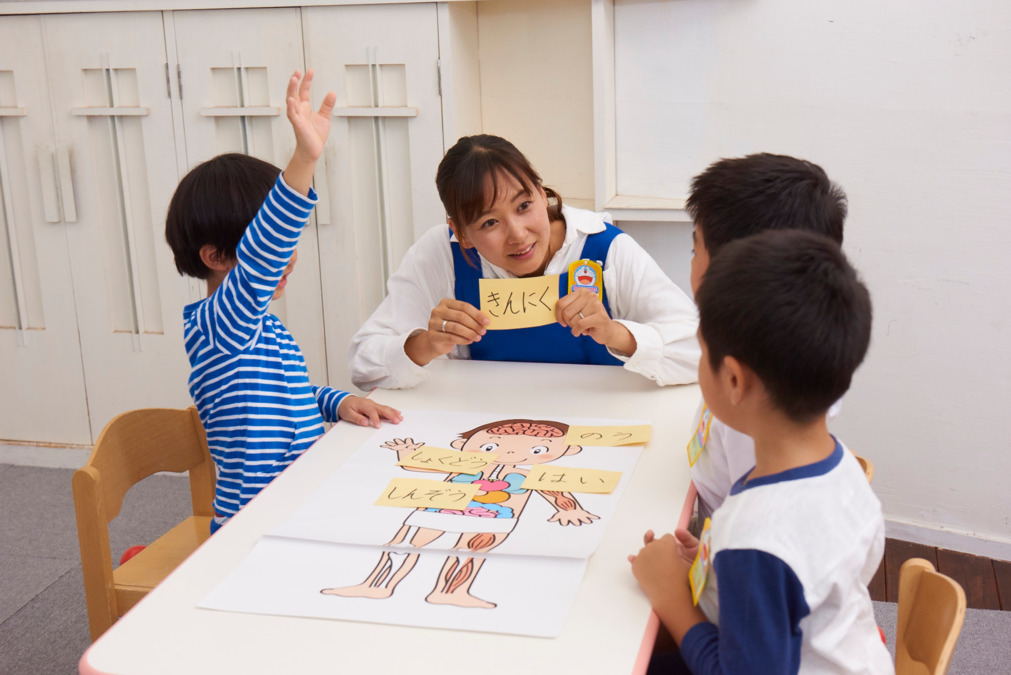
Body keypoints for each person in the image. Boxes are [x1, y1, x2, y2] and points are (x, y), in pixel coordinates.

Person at [629, 230, 890, 673]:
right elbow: (806, 574)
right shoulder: (841, 466)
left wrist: (673, 597)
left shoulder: (756, 536)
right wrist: (710, 568)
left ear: (733, 380)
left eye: (702, 351)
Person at [165, 70, 401, 534]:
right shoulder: (222, 323)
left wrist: (334, 403)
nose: (286, 257)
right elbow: (264, 252)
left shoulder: (257, 327)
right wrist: (304, 158)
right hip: (255, 526)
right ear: (215, 257)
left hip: (301, 500)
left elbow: (283, 401)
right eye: (269, 249)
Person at [348, 134, 700, 390]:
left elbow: (700, 351)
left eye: (524, 206)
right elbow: (364, 365)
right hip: (485, 430)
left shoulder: (605, 249)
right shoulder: (441, 254)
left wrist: (616, 333)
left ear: (540, 191)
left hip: (601, 431)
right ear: (461, 232)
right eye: (489, 223)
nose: (517, 234)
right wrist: (425, 344)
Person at [683, 153, 848, 532]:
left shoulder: (758, 417)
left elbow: (754, 541)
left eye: (696, 249)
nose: (690, 262)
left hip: (727, 546)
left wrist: (677, 582)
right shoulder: (788, 350)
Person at [321, 418, 595, 608]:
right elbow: (418, 467)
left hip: (496, 517)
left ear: (569, 450)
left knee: (469, 553)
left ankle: (450, 592)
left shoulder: (529, 473)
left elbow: (555, 491)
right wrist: (406, 453)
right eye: (491, 446)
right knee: (402, 546)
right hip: (438, 507)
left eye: (538, 449)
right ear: (460, 444)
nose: (510, 451)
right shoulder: (465, 462)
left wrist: (570, 510)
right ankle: (376, 585)